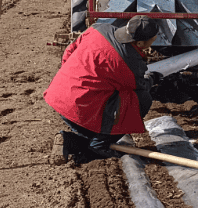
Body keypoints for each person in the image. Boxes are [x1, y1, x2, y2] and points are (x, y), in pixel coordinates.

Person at [44, 16, 163, 162]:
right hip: (79, 109)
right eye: (153, 39)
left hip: (59, 97)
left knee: (103, 100)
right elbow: (139, 87)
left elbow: (69, 51)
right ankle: (98, 145)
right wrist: (152, 78)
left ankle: (69, 140)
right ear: (139, 42)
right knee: (142, 99)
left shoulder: (99, 29)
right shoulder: (130, 61)